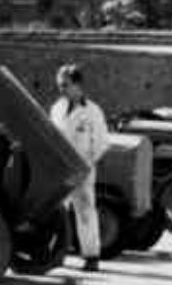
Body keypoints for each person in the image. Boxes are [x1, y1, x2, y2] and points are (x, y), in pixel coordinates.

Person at [50, 64, 110, 272]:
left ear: (77, 85)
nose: (61, 89)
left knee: (85, 211)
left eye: (65, 85)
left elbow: (102, 142)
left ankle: (91, 256)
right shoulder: (56, 108)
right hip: (59, 168)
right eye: (59, 85)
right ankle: (57, 253)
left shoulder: (92, 111)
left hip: (82, 168)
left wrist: (86, 163)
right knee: (57, 211)